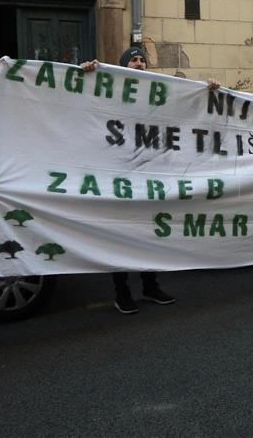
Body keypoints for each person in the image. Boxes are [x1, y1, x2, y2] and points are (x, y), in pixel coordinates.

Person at [81, 48, 177, 314]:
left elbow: (189, 109)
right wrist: (86, 75)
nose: (139, 63)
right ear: (123, 66)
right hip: (119, 176)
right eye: (134, 60)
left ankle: (150, 285)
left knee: (149, 234)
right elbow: (82, 106)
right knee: (120, 235)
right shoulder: (110, 93)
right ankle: (121, 292)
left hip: (148, 177)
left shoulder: (157, 95)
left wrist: (209, 89)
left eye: (142, 60)